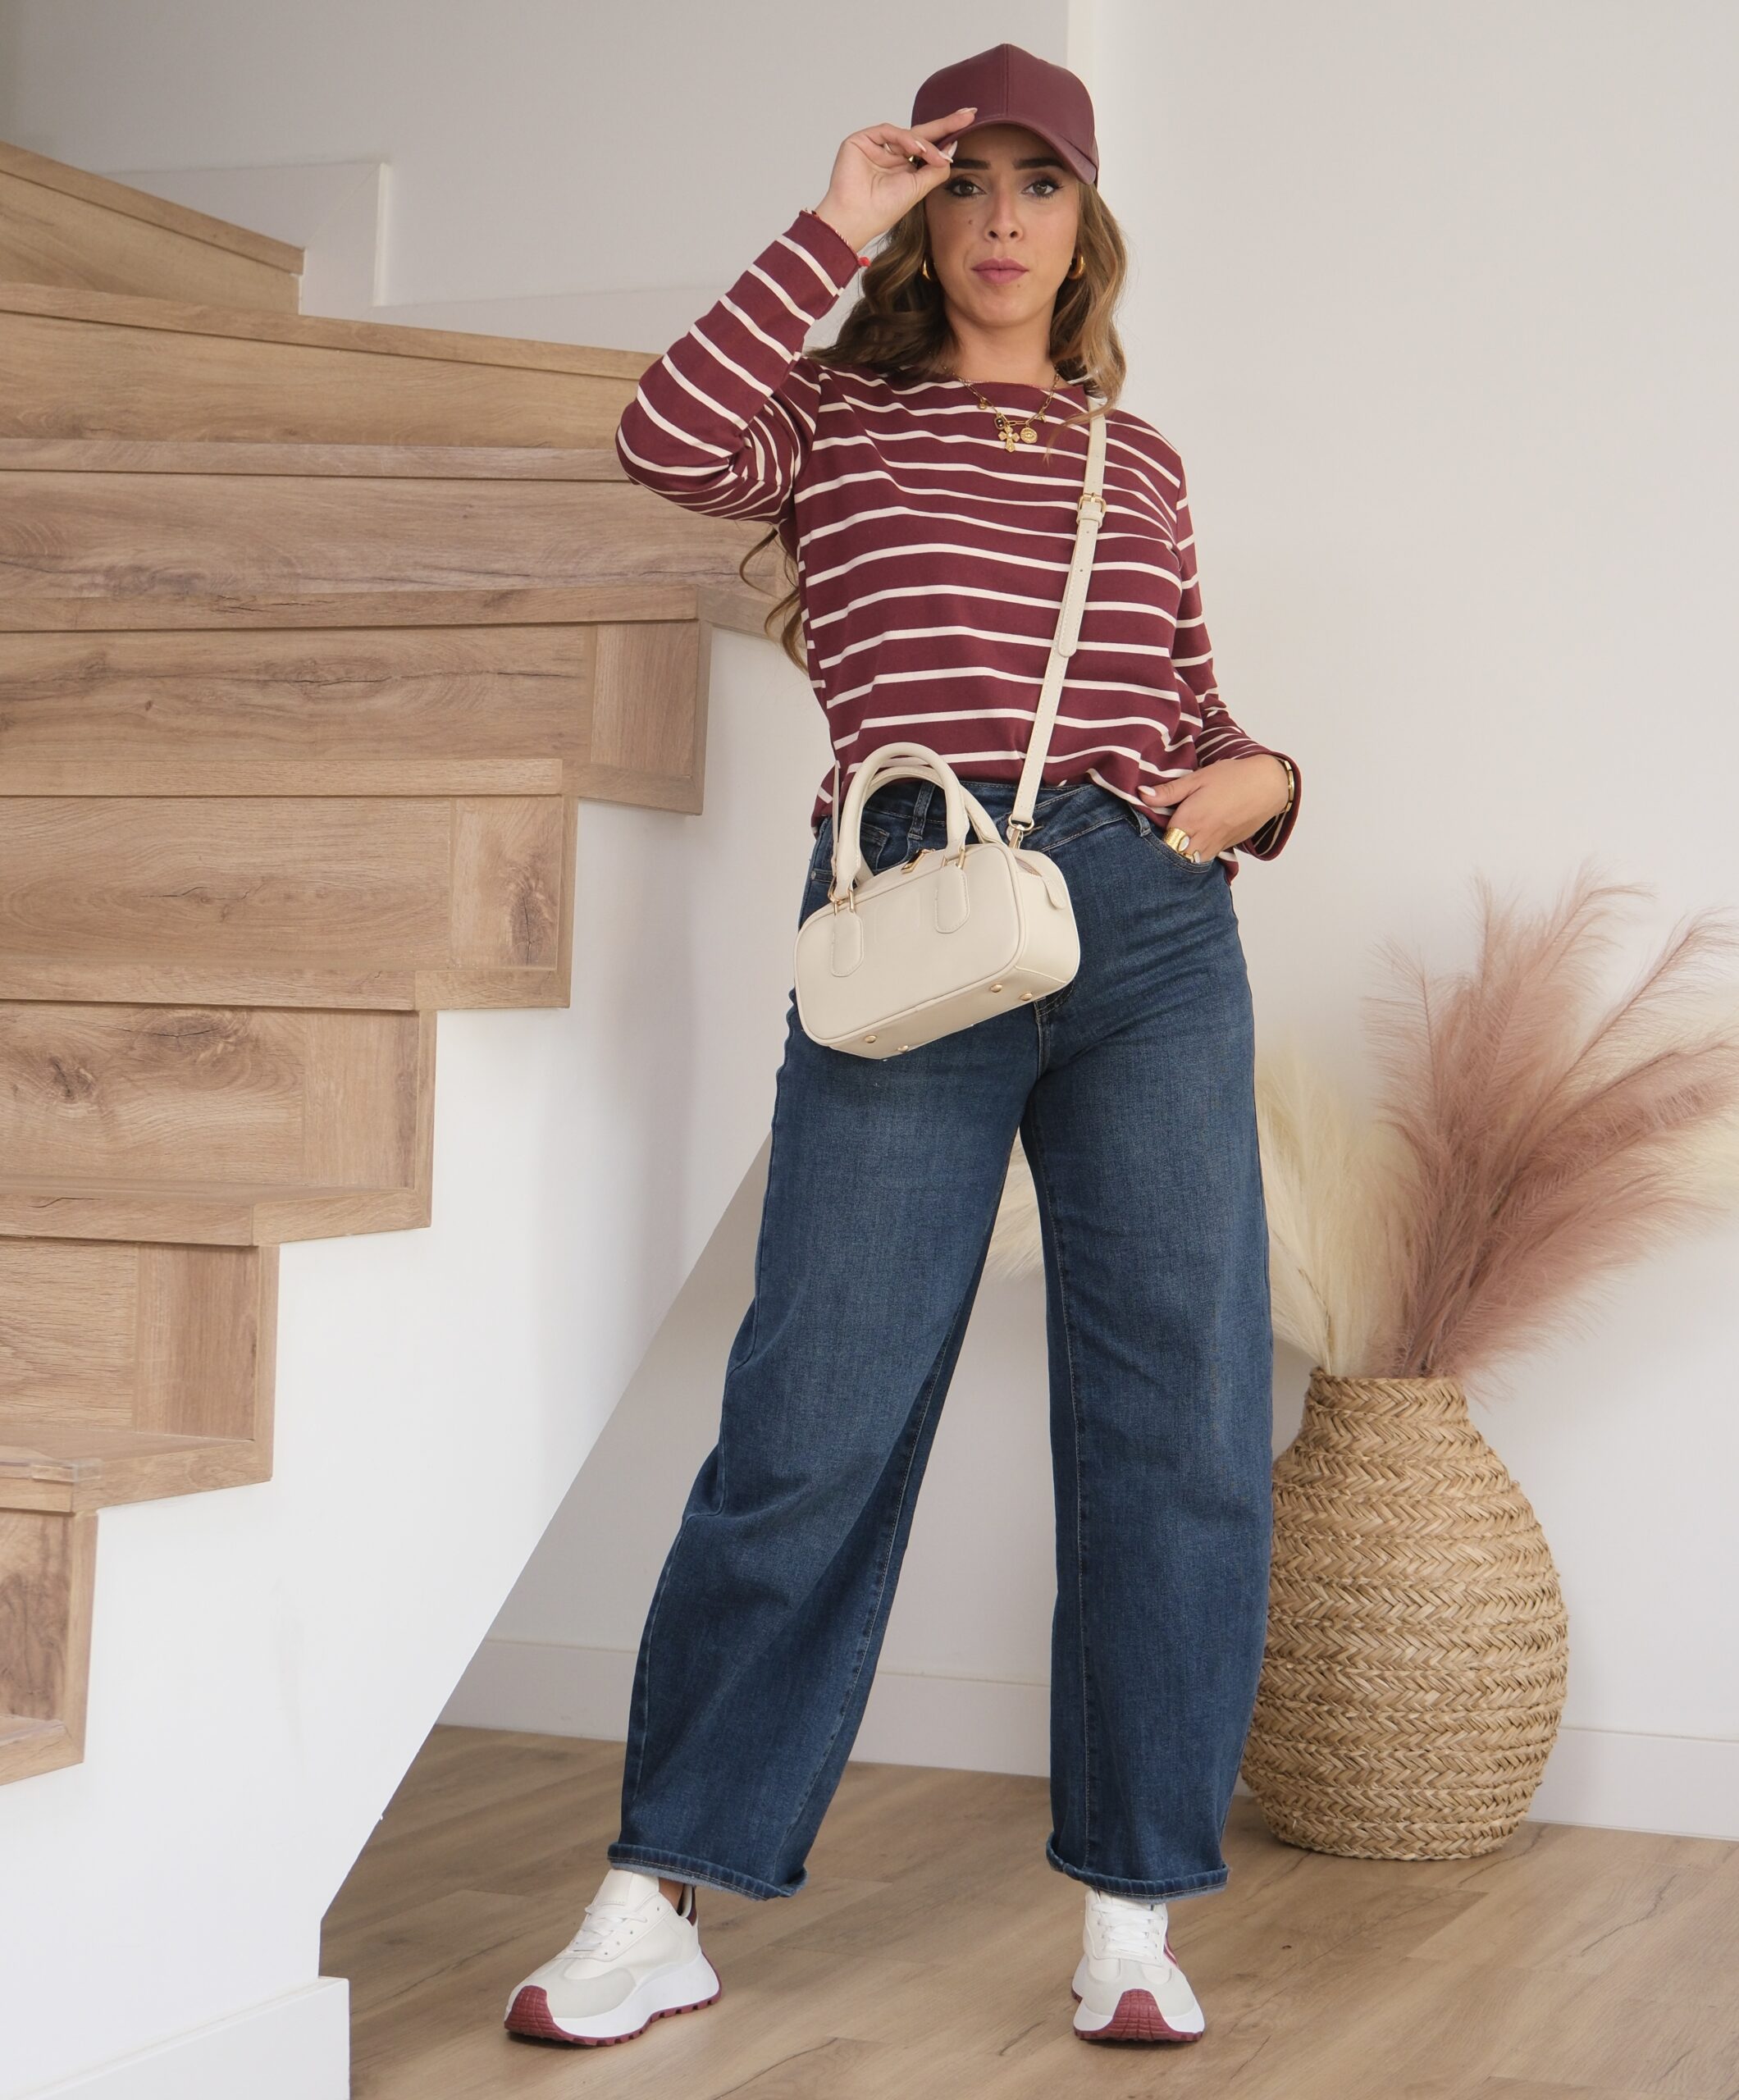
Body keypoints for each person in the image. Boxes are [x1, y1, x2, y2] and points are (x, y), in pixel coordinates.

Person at [504, 39, 1300, 2052]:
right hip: (913, 914)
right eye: (966, 181)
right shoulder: (831, 420)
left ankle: (1132, 1911)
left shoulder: (1141, 458)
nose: (1001, 218)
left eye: (1039, 183)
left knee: (1177, 1420)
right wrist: (827, 213)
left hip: (1147, 933)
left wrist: (1268, 780)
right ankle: (656, 1894)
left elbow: (1190, 704)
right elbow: (663, 438)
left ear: (1084, 221)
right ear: (923, 212)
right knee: (815, 1410)